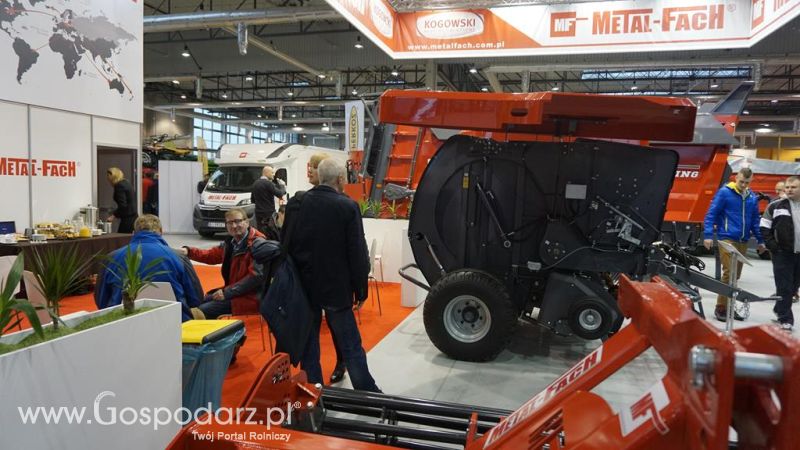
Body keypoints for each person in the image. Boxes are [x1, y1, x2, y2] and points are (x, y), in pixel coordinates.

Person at [283, 159, 379, 392]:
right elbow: (356, 252)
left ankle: (314, 391)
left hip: (304, 287)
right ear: (339, 179)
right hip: (336, 288)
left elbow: (285, 243)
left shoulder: (297, 202)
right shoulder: (347, 206)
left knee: (309, 344)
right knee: (350, 344)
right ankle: (366, 391)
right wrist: (361, 289)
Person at [94, 214, 202, 322]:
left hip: (121, 323)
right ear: (161, 232)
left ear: (133, 233)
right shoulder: (179, 257)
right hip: (173, 322)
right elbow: (196, 299)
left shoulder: (111, 258)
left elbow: (101, 301)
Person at [176, 208, 265, 319]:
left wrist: (227, 292)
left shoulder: (258, 244)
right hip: (235, 292)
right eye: (230, 222)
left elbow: (255, 278)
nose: (234, 226)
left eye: (237, 221)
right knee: (197, 302)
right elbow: (211, 255)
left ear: (247, 222)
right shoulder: (231, 242)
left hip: (251, 297)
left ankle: (214, 335)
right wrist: (189, 251)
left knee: (202, 310)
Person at [305, 152, 347, 384]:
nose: (309, 171)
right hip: (309, 279)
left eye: (312, 167)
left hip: (332, 280)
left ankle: (341, 363)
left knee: (336, 327)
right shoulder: (302, 200)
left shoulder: (343, 203)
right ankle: (313, 378)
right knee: (310, 329)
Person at [703, 167, 766, 322]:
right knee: (729, 273)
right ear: (736, 177)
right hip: (727, 238)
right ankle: (721, 308)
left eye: (747, 182)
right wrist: (708, 235)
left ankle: (729, 308)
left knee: (735, 276)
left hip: (743, 241)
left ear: (751, 181)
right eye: (741, 181)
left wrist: (760, 240)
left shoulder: (751, 197)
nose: (743, 185)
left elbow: (755, 221)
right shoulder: (725, 192)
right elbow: (712, 214)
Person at [760, 176, 800, 331]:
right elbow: (764, 226)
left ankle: (779, 308)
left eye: (793, 187)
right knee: (784, 286)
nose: (789, 190)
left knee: (794, 286)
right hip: (783, 253)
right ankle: (786, 318)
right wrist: (772, 246)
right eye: (788, 187)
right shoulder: (776, 206)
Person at [251, 165, 286, 240]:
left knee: (261, 234)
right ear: (266, 173)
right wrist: (282, 185)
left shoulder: (255, 183)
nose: (274, 174)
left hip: (258, 214)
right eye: (272, 172)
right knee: (270, 234)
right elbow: (280, 194)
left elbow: (252, 200)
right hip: (269, 214)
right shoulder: (268, 184)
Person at [106, 167, 138, 233]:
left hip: (128, 218)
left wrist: (113, 215)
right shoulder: (126, 183)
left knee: (122, 238)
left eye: (108, 176)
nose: (108, 179)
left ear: (113, 176)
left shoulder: (119, 186)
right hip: (133, 216)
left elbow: (123, 205)